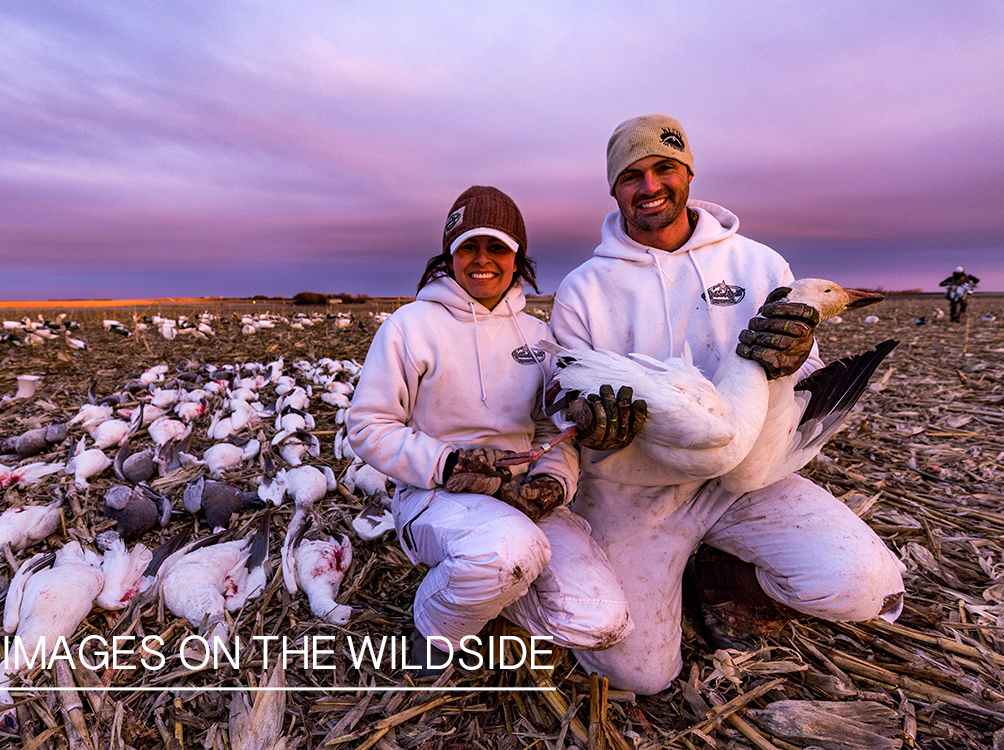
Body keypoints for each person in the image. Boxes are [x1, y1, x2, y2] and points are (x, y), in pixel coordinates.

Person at [550, 114, 906, 694]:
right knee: (638, 675)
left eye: (665, 168)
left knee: (862, 584)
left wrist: (795, 361)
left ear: (688, 172)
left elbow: (809, 374)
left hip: (745, 478)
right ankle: (655, 565)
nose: (649, 187)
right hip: (634, 492)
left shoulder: (757, 265)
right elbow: (563, 397)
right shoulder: (584, 289)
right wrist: (592, 427)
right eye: (631, 176)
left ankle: (723, 576)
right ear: (613, 189)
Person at [346, 186, 632, 673]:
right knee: (506, 551)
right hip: (435, 495)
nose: (482, 260)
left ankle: (492, 591)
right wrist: (448, 463)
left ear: (517, 256)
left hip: (520, 495)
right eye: (468, 247)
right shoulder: (409, 326)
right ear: (450, 255)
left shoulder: (538, 337)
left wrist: (552, 483)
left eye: (497, 246)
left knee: (602, 622)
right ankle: (435, 625)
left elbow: (549, 427)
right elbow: (368, 425)